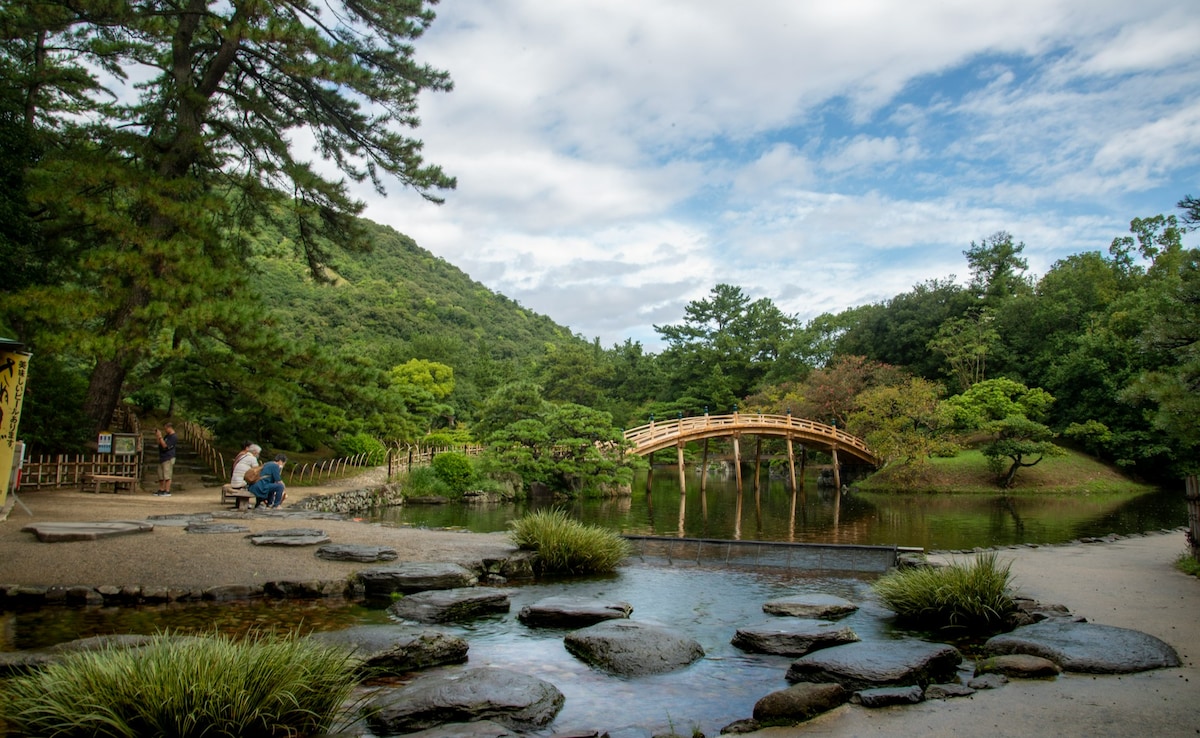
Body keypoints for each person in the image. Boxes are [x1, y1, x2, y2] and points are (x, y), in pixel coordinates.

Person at [154, 422, 177, 497]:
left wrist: (160, 437)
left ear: (170, 428)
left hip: (168, 457)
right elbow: (160, 443)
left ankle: (167, 490)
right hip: (162, 457)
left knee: (167, 475)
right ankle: (161, 489)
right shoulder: (167, 436)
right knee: (160, 474)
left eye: (166, 428)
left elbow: (165, 446)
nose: (165, 430)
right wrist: (158, 436)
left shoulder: (173, 437)